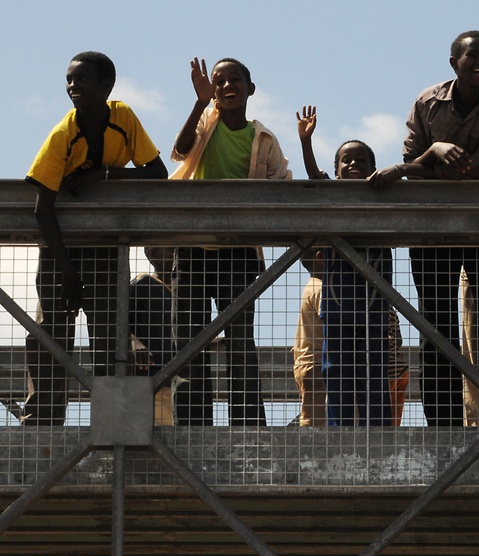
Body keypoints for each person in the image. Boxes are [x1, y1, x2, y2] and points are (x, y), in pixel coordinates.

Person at [22, 51, 168, 425]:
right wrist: (67, 270)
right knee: (51, 334)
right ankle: (43, 421)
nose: (72, 87)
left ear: (106, 86)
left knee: (109, 334)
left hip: (104, 248)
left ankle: (111, 422)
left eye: (81, 80)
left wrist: (104, 174)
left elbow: (157, 172)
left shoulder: (122, 118)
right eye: (69, 80)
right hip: (60, 251)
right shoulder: (63, 134)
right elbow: (42, 208)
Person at [170, 57, 292, 427]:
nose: (225, 87)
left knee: (240, 341)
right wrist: (198, 102)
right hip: (193, 247)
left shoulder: (263, 138)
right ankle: (193, 427)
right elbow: (180, 149)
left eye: (234, 80)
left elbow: (282, 186)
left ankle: (248, 425)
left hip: (239, 253)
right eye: (219, 82)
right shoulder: (206, 122)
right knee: (189, 342)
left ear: (250, 88)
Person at [402, 30, 479, 426]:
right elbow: (412, 168)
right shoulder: (428, 102)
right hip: (433, 228)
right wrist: (436, 152)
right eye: (473, 55)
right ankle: (444, 425)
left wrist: (451, 168)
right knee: (437, 329)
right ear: (455, 62)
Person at [297, 106, 399, 426]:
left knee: (374, 381)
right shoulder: (333, 195)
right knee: (336, 378)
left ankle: (379, 442)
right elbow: (314, 176)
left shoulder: (384, 199)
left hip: (373, 310)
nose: (354, 164)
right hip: (337, 310)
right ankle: (337, 440)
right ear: (338, 172)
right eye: (347, 161)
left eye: (362, 161)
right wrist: (305, 142)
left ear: (374, 169)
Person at [129, 246, 177, 426]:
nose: (176, 257)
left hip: (175, 388)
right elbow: (116, 319)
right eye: (171, 251)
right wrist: (133, 342)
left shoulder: (183, 297)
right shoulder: (144, 284)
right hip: (148, 384)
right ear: (153, 255)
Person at [290, 250, 326, 426]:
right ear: (321, 258)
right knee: (315, 422)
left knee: (314, 417)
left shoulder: (311, 286)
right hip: (316, 365)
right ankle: (309, 450)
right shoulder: (321, 289)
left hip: (307, 362)